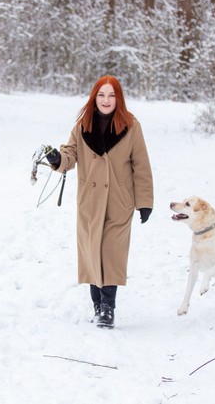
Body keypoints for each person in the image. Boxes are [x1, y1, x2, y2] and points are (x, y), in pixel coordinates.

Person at [45, 75, 153, 329]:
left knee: (111, 254)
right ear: (95, 97)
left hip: (119, 201)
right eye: (101, 95)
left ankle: (108, 308)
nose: (106, 100)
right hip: (90, 202)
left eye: (111, 95)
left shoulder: (131, 126)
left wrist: (144, 201)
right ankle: (97, 305)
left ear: (119, 99)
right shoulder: (83, 125)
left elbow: (142, 166)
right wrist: (57, 158)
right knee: (93, 252)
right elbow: (70, 154)